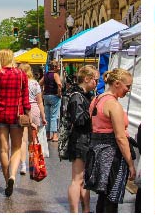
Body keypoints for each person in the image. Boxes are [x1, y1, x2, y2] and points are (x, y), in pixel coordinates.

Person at [85, 69, 138, 213]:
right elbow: (120, 138)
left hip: (97, 153)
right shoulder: (113, 105)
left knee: (103, 196)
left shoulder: (96, 100)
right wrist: (131, 164)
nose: (128, 90)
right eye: (127, 86)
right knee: (111, 198)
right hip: (112, 156)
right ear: (117, 84)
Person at [0, 49, 33, 196]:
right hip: (17, 115)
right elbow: (25, 97)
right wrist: (29, 114)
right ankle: (13, 176)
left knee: (4, 149)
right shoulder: (21, 74)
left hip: (0, 114)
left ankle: (6, 178)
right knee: (16, 148)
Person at [60, 66, 99, 213]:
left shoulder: (84, 95)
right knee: (77, 179)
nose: (97, 82)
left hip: (84, 139)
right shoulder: (77, 96)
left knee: (83, 179)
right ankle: (75, 211)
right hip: (79, 140)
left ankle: (86, 210)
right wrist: (93, 111)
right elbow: (79, 120)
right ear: (87, 79)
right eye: (95, 80)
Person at [25, 64, 46, 164]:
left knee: (22, 138)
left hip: (21, 110)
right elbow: (40, 101)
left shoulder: (19, 82)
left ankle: (23, 163)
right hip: (34, 108)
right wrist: (43, 116)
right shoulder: (34, 83)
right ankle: (33, 162)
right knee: (33, 137)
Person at [44, 59, 64, 142]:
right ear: (55, 67)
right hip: (54, 96)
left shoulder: (46, 74)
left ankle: (48, 135)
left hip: (46, 96)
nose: (59, 68)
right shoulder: (55, 75)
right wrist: (59, 93)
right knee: (54, 116)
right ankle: (55, 135)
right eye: (58, 66)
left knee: (47, 116)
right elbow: (59, 84)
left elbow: (40, 82)